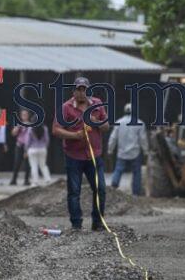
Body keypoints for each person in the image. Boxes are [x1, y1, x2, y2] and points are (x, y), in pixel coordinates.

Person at [52, 76, 110, 232]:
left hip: (94, 155)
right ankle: (76, 224)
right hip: (73, 156)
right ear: (74, 91)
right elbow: (56, 129)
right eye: (78, 89)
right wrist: (74, 136)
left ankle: (97, 223)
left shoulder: (97, 104)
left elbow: (106, 127)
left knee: (101, 189)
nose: (81, 92)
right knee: (74, 191)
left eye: (84, 89)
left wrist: (94, 120)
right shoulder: (66, 107)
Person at [108, 103, 148, 196]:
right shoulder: (140, 123)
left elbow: (113, 137)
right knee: (136, 172)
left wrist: (110, 150)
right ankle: (136, 193)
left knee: (118, 169)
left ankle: (114, 186)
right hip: (135, 152)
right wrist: (146, 151)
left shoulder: (119, 122)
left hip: (122, 153)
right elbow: (143, 139)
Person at [10, 110, 31, 185]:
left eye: (26, 114)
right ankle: (14, 179)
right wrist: (18, 127)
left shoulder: (31, 124)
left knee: (27, 164)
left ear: (28, 115)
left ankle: (26, 180)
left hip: (27, 146)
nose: (24, 116)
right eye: (23, 115)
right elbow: (13, 134)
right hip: (19, 145)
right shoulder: (18, 124)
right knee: (17, 163)